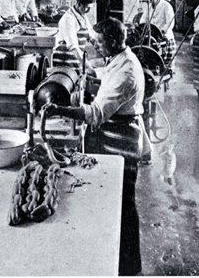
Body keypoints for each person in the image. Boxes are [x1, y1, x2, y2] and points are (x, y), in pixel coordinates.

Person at [44, 18, 149, 276]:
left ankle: (126, 268)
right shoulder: (122, 59)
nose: (95, 46)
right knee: (116, 201)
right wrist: (93, 75)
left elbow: (97, 113)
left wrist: (60, 109)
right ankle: (117, 264)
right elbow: (107, 73)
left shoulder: (126, 73)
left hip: (120, 138)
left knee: (122, 203)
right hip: (118, 131)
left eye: (99, 42)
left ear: (112, 41)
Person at [53, 0, 96, 73]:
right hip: (65, 60)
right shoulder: (68, 19)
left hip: (75, 59)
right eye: (87, 8)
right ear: (79, 4)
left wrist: (101, 46)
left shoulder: (82, 16)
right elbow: (73, 46)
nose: (88, 11)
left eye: (90, 8)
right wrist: (86, 66)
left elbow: (91, 35)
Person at [141, 0, 176, 65]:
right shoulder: (149, 7)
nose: (149, 1)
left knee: (166, 63)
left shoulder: (166, 6)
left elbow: (170, 22)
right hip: (153, 37)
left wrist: (162, 31)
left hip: (165, 37)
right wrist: (141, 26)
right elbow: (144, 19)